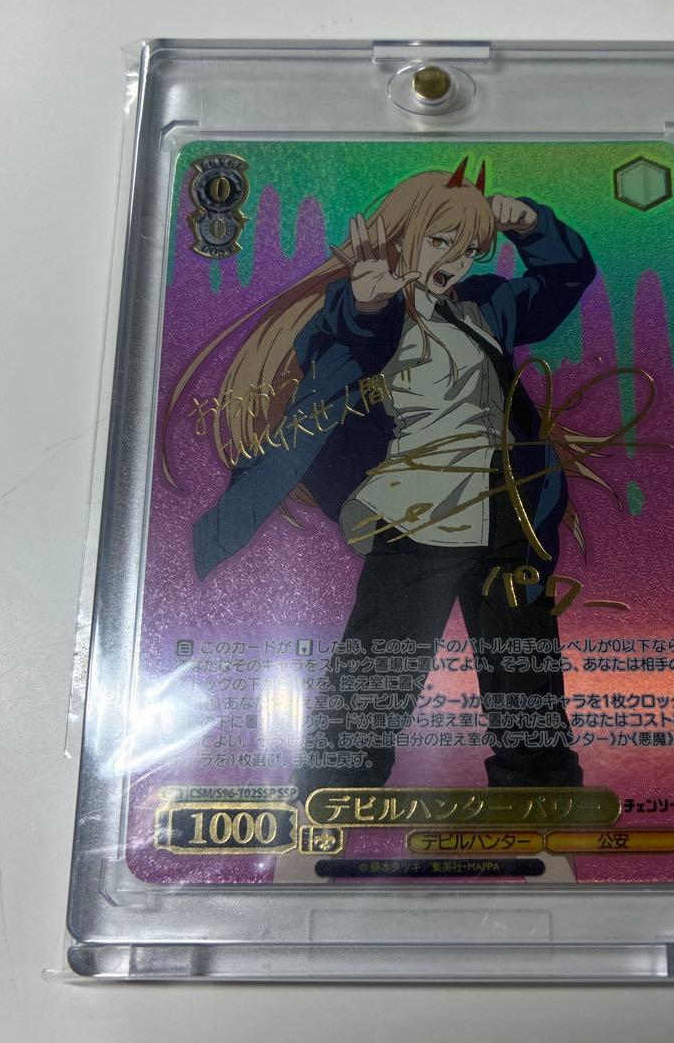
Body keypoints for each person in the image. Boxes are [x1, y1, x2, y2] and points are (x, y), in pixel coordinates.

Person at [184, 159, 599, 798]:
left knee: (524, 669)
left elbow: (564, 279)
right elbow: (342, 342)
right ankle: (332, 795)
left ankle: (542, 799)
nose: (455, 261)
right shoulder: (365, 311)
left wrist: (533, 227)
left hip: (506, 512)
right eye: (441, 242)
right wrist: (366, 301)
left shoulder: (487, 305)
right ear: (402, 233)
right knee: (379, 665)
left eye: (469, 249)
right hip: (416, 514)